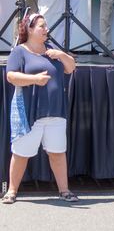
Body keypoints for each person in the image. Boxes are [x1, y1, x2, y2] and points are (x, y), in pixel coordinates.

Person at [2, 13, 78, 204]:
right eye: (42, 26)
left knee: (57, 152)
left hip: (55, 112)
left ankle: (65, 190)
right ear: (29, 29)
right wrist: (35, 80)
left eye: (46, 26)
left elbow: (70, 68)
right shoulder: (19, 51)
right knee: (21, 153)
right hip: (29, 113)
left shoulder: (52, 50)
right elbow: (11, 76)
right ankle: (11, 191)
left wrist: (61, 55)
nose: (47, 30)